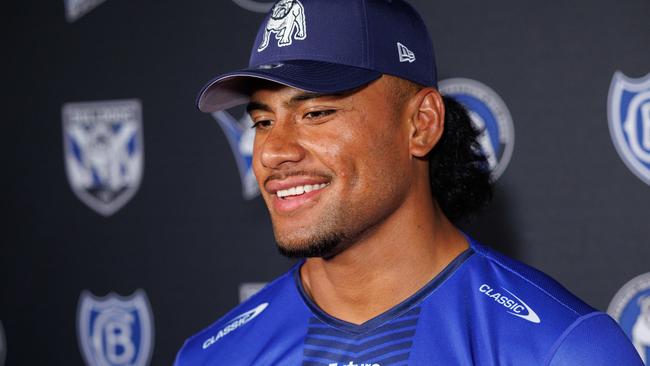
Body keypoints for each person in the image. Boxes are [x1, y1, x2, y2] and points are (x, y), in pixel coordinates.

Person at [175, 0, 643, 364]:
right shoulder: (212, 356)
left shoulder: (562, 350)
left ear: (421, 124)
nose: (274, 151)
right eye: (262, 122)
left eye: (316, 113)